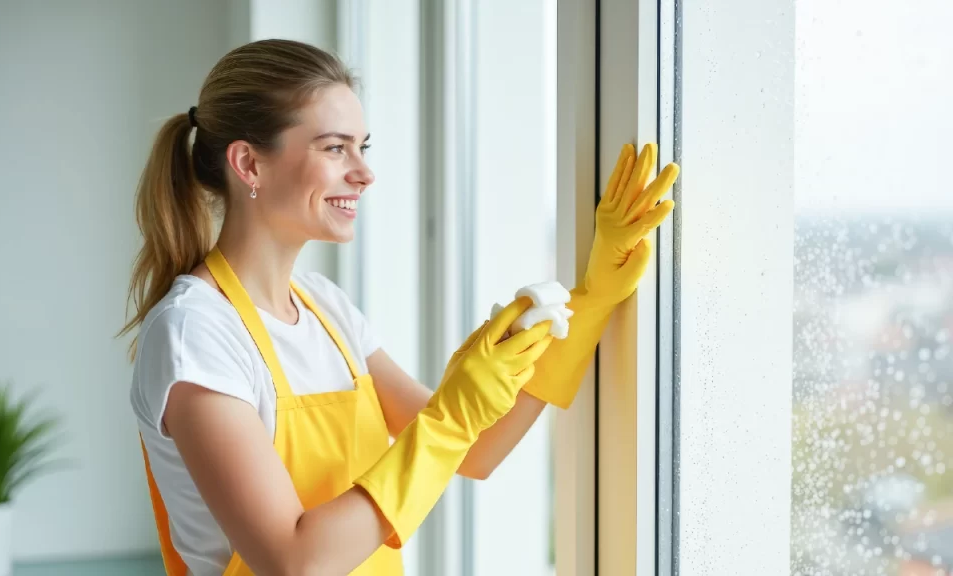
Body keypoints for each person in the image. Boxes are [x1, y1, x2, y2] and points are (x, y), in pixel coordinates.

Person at [121, 39, 678, 576]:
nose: (364, 172)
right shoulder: (196, 332)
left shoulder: (325, 310)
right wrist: (452, 412)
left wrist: (593, 298)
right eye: (335, 147)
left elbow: (474, 451)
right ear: (249, 164)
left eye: (363, 147)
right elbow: (295, 562)